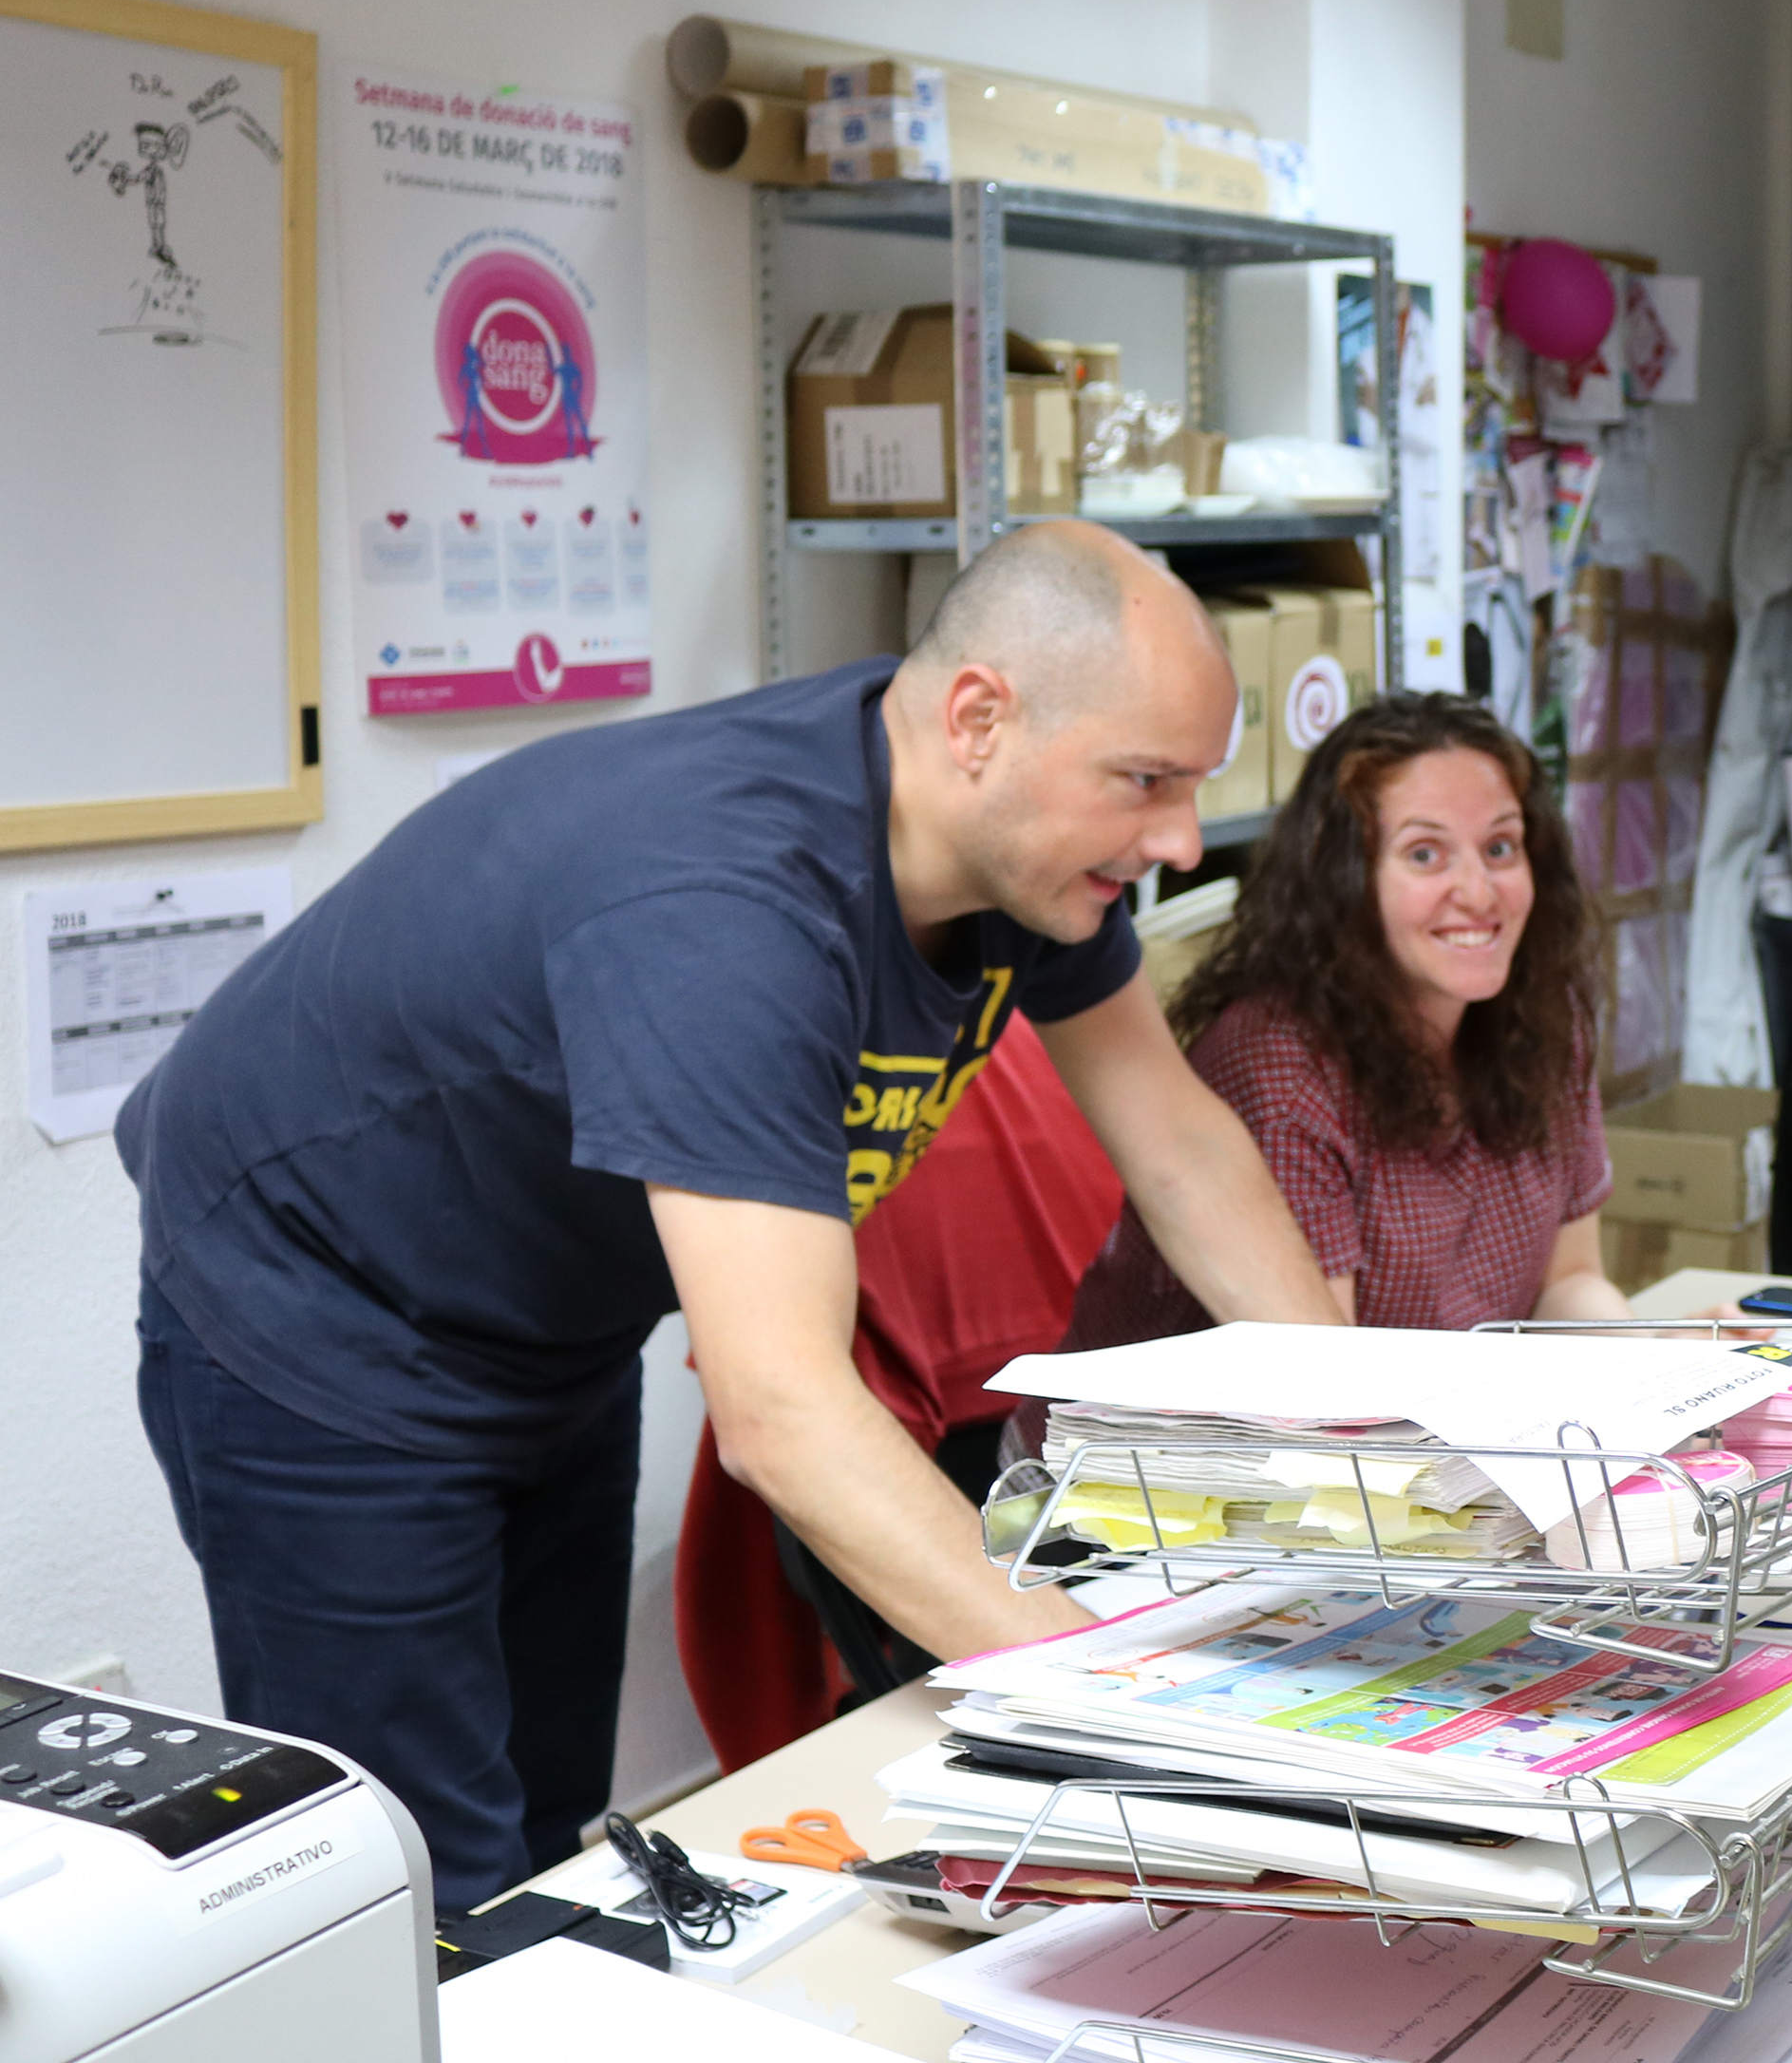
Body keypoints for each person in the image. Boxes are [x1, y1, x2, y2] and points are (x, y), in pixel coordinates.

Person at [119, 522, 1341, 1903]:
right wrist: (1122, 1702)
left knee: (547, 1823)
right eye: (1148, 781)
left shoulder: (1011, 850)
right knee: (419, 1881)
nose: (1178, 838)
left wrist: (1394, 1445)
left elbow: (1181, 1147)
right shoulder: (729, 907)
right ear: (979, 719)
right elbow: (784, 1415)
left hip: (546, 1318)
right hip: (316, 1307)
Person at [1034, 694, 1624, 1389]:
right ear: (1344, 878)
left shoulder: (1546, 1019)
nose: (1478, 891)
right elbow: (1321, 1383)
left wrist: (1648, 1358)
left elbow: (1570, 1280)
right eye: (1425, 854)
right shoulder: (1282, 1071)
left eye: (1500, 848)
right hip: (1205, 1446)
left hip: (1439, 1427)